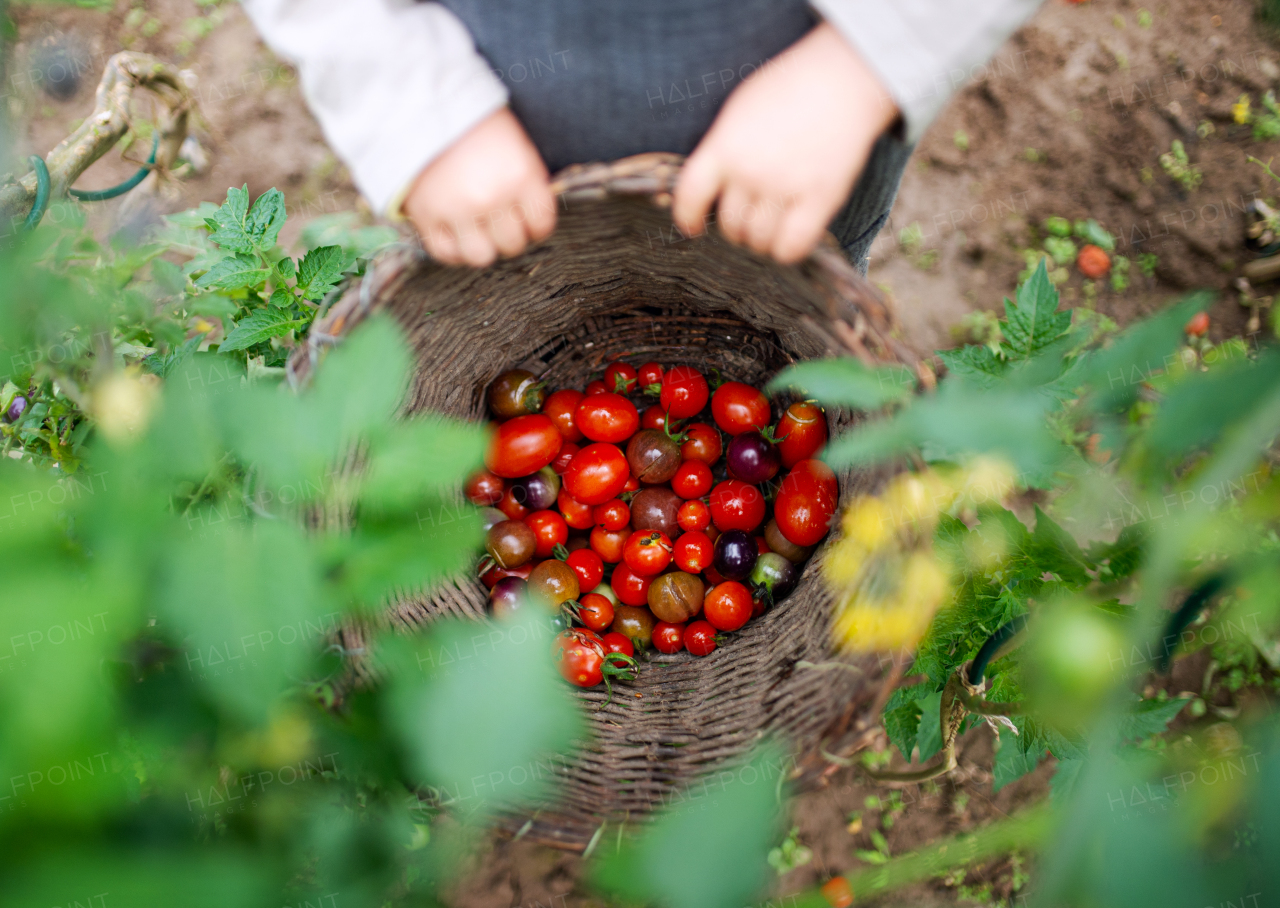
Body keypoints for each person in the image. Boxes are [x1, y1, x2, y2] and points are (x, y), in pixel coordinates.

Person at [243, 0, 1042, 270]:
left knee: (799, 299)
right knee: (531, 305)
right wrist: (417, 105)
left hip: (805, 119)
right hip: (494, 117)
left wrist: (863, 60)